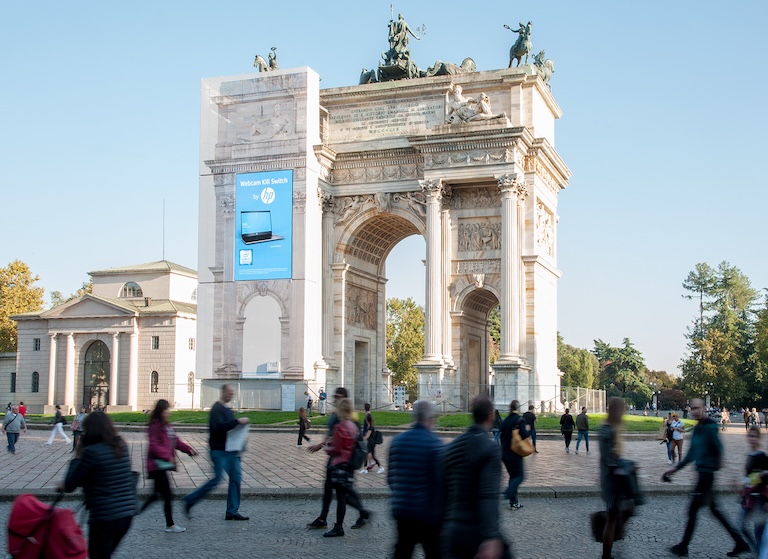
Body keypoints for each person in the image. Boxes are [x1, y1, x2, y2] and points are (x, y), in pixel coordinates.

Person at [665, 398, 750, 557]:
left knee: (693, 510)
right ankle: (740, 542)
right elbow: (691, 454)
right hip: (702, 475)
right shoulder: (698, 429)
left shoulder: (710, 427)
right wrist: (674, 469)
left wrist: (730, 474)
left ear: (704, 408)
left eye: (697, 408)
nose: (694, 411)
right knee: (715, 511)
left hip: (706, 476)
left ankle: (683, 546)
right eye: (692, 408)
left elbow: (719, 449)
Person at [442, 395, 511, 559]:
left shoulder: (453, 446)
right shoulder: (490, 448)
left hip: (453, 530)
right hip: (477, 531)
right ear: (490, 415)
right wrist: (491, 536)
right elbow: (488, 494)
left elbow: (443, 490)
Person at [60, 412, 136, 559]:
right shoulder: (121, 446)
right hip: (126, 514)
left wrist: (78, 454)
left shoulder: (91, 452)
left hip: (104, 517)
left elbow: (70, 484)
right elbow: (105, 473)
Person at [182, 384, 250, 521]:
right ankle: (190, 500)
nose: (231, 396)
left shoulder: (227, 409)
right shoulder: (216, 409)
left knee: (236, 478)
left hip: (231, 451)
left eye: (232, 394)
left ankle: (232, 511)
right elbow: (218, 427)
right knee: (216, 479)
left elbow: (232, 429)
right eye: (229, 393)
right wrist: (236, 422)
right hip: (218, 450)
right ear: (223, 392)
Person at [388, 400, 444, 559]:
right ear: (431, 418)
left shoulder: (397, 441)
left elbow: (391, 478)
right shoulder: (436, 444)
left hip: (403, 510)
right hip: (427, 513)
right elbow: (441, 483)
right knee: (434, 552)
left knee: (402, 551)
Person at [307, 387, 368, 531]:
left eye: (338, 396)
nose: (335, 399)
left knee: (342, 491)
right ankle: (324, 517)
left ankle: (357, 515)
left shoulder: (345, 419)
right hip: (342, 458)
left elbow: (337, 440)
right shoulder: (344, 417)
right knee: (335, 488)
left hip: (341, 459)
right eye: (335, 396)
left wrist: (323, 446)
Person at [141, 399, 197, 533]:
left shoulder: (167, 426)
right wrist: (167, 456)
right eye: (166, 409)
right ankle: (170, 525)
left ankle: (135, 512)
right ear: (161, 411)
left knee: (155, 495)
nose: (168, 412)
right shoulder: (154, 426)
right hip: (156, 465)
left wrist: (188, 450)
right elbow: (154, 446)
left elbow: (176, 442)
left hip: (161, 465)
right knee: (167, 495)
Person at [321, 397, 371, 537]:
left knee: (341, 497)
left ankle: (338, 527)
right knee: (343, 496)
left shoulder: (341, 426)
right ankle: (358, 514)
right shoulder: (353, 426)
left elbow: (336, 448)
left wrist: (327, 448)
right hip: (349, 464)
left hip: (339, 464)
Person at [599, 397, 629, 559]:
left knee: (619, 513)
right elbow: (609, 459)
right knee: (611, 519)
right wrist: (624, 466)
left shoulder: (612, 428)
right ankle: (606, 555)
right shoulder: (607, 430)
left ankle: (609, 548)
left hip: (613, 478)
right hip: (611, 481)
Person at [738, 427, 768, 554]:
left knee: (758, 528)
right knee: (741, 525)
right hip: (749, 497)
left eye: (755, 436)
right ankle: (757, 550)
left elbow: (766, 476)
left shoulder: (762, 456)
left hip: (761, 497)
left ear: (759, 438)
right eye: (750, 436)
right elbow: (748, 477)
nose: (752, 439)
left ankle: (760, 553)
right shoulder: (750, 455)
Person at [500, 399, 531, 510]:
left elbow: (501, 436)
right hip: (515, 453)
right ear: (518, 408)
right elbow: (523, 435)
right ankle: (508, 493)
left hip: (504, 453)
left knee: (513, 476)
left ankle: (514, 502)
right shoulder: (519, 420)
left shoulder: (506, 420)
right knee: (520, 476)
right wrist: (528, 430)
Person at [360, 403, 384, 474]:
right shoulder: (370, 426)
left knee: (369, 455)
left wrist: (362, 439)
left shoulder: (370, 428)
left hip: (371, 442)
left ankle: (369, 468)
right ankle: (369, 467)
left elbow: (367, 436)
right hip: (371, 442)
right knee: (371, 455)